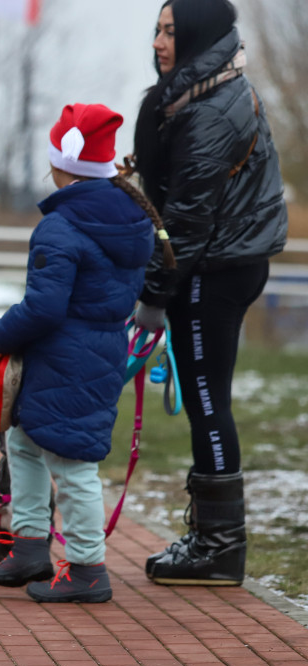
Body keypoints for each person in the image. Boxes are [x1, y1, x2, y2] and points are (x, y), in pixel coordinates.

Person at [0, 104, 168, 603]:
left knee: (73, 462)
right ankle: (29, 546)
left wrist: (2, 333)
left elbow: (44, 307)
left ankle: (88, 569)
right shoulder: (130, 219)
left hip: (64, 355)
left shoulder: (61, 228)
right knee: (24, 443)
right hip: (98, 350)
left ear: (61, 164)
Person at [130, 0, 287, 586]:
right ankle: (216, 540)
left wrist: (152, 298)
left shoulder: (212, 109)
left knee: (206, 398)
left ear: (198, 34)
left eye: (172, 30)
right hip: (218, 261)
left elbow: (187, 220)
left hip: (215, 269)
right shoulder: (202, 92)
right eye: (158, 29)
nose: (160, 40)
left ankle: (220, 544)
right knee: (205, 396)